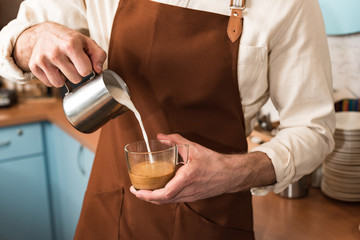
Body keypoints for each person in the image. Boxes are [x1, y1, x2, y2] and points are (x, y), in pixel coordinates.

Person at [0, 0, 335, 239]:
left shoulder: (291, 5)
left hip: (212, 214)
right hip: (112, 201)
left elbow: (314, 129)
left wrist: (233, 172)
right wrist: (34, 38)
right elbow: (15, 40)